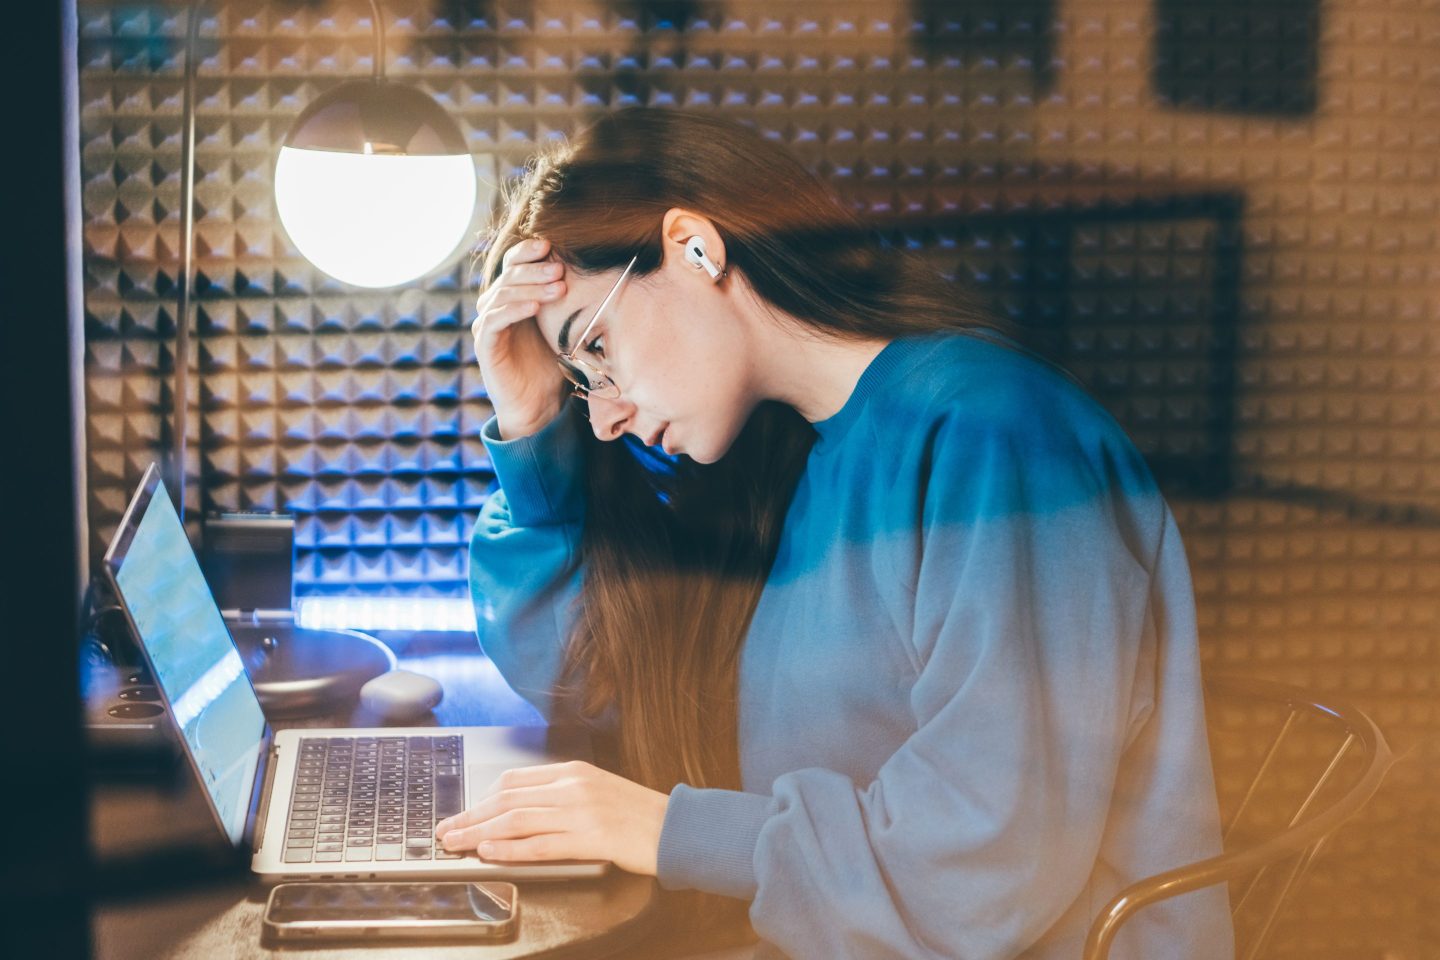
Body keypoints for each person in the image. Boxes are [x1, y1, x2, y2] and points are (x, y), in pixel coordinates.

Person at [434, 109, 1233, 959]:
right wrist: (530, 425)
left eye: (597, 344)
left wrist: (674, 830)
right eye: (582, 380)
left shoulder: (995, 436)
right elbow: (585, 675)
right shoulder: (787, 457)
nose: (606, 416)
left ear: (695, 247)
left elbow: (987, 863)